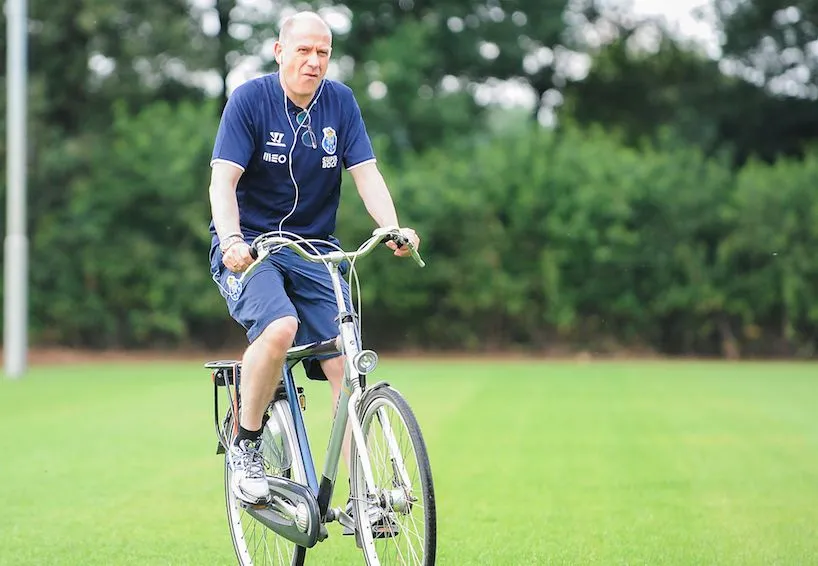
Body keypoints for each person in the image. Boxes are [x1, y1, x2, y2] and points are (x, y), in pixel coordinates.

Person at [207, 10, 420, 507]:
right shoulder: (250, 101)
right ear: (280, 51)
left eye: (322, 52)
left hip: (315, 251)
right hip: (251, 248)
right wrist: (233, 238)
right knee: (279, 329)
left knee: (347, 365)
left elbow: (366, 173)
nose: (314, 61)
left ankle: (361, 496)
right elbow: (223, 181)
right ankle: (247, 444)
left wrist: (390, 225)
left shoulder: (340, 103)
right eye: (303, 50)